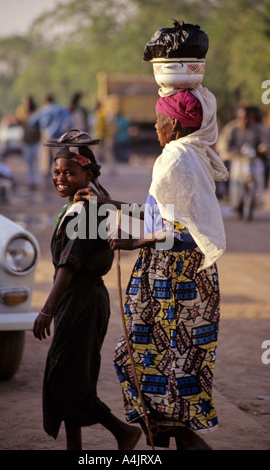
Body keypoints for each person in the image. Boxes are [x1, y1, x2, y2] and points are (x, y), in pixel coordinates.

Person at [75, 88, 229, 450]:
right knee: (158, 372)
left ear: (174, 124)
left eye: (160, 119)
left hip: (177, 284)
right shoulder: (188, 154)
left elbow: (186, 234)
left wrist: (137, 242)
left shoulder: (176, 157)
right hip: (173, 278)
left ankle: (167, 436)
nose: (156, 126)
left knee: (155, 369)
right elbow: (161, 215)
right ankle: (163, 434)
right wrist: (108, 205)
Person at [33, 143, 141, 450]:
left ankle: (123, 432)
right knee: (72, 376)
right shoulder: (85, 206)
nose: (61, 178)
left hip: (80, 301)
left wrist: (47, 309)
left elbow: (68, 266)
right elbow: (139, 216)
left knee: (66, 381)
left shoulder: (86, 209)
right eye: (57, 172)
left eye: (71, 172)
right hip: (84, 300)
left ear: (88, 174)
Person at [29, 94, 73, 177]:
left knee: (46, 157)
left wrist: (39, 129)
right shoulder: (60, 109)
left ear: (45, 101)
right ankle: (58, 173)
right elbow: (69, 121)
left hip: (46, 136)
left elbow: (32, 122)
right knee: (58, 156)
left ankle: (46, 175)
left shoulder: (43, 110)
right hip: (58, 136)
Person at [16, 95, 41, 190]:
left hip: (35, 140)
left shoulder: (37, 111)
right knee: (29, 162)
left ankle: (37, 180)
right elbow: (19, 121)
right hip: (26, 140)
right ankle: (32, 181)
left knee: (36, 162)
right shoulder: (21, 111)